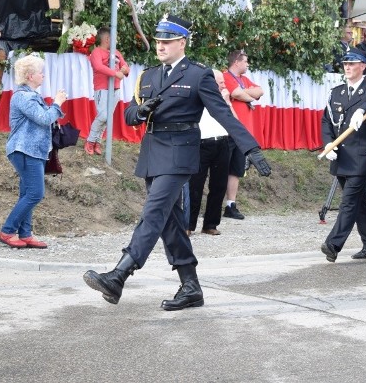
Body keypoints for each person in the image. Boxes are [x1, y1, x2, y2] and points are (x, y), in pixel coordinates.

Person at [83, 15, 271, 311]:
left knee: (154, 211)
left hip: (180, 152)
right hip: (152, 153)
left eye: (167, 41)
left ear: (181, 43)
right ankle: (191, 287)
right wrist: (141, 111)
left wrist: (251, 149)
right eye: (158, 41)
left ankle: (120, 274)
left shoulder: (198, 75)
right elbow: (129, 116)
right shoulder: (148, 75)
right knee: (169, 222)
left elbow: (223, 113)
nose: (160, 46)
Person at [320, 52, 366, 262]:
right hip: (340, 155)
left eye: (351, 64)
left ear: (362, 66)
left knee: (349, 201)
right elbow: (327, 120)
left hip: (361, 156)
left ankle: (333, 244)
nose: (347, 67)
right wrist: (328, 143)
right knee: (358, 203)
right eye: (345, 64)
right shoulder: (337, 92)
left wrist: (361, 109)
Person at [0, 55, 66, 250]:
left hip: (31, 150)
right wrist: (57, 103)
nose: (43, 75)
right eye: (40, 72)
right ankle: (7, 231)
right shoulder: (23, 96)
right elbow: (44, 119)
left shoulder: (30, 96)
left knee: (27, 193)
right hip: (25, 150)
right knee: (35, 193)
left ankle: (25, 234)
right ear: (29, 75)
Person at [188, 69, 233, 236]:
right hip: (201, 143)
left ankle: (210, 224)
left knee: (219, 185)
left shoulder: (223, 98)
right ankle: (189, 225)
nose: (223, 85)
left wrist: (227, 101)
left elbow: (233, 120)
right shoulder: (198, 95)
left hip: (222, 142)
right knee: (195, 185)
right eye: (220, 82)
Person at [223, 49, 264, 220]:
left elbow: (259, 91)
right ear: (236, 62)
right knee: (223, 168)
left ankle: (230, 205)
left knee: (236, 169)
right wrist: (247, 94)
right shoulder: (226, 76)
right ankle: (216, 202)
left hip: (243, 133)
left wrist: (245, 93)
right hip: (229, 130)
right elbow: (235, 93)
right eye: (245, 61)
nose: (247, 64)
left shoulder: (243, 80)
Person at [85, 27, 130, 155]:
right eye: (114, 38)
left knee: (107, 118)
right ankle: (90, 141)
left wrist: (125, 70)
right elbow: (98, 67)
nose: (116, 41)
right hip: (102, 88)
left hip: (115, 89)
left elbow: (125, 66)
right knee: (103, 116)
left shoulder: (116, 52)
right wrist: (116, 73)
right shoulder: (96, 52)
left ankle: (97, 143)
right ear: (107, 39)